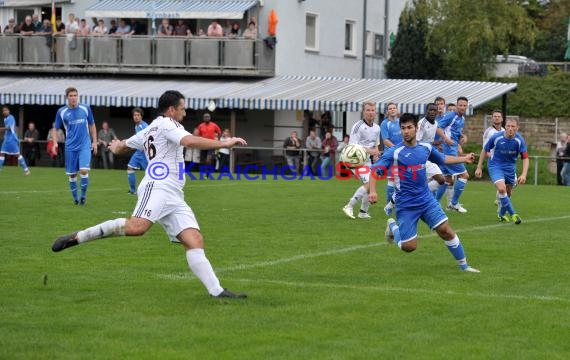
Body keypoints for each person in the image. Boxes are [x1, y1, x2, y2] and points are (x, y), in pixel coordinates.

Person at [51, 90, 248, 299]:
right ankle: (78, 237)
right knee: (138, 227)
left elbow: (124, 146)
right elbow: (189, 142)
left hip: (173, 194)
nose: (185, 111)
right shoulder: (167, 124)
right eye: (182, 108)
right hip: (158, 185)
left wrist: (117, 146)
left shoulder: (151, 128)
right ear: (171, 110)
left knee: (194, 239)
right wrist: (224, 143)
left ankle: (217, 291)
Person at [368, 113, 479, 273]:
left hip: (426, 200)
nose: (406, 131)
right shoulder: (395, 151)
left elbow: (443, 158)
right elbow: (375, 171)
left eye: (409, 127)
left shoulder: (425, 148)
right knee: (409, 247)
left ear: (416, 128)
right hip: (406, 204)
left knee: (445, 230)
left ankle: (465, 266)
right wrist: (372, 191)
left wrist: (464, 158)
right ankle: (393, 226)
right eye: (403, 128)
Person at [475, 118, 529, 223]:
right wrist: (479, 167)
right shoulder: (496, 137)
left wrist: (524, 174)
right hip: (495, 166)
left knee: (508, 193)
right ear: (505, 127)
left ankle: (501, 214)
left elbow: (525, 157)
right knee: (501, 189)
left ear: (517, 128)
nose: (510, 129)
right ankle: (514, 214)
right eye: (508, 126)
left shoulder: (519, 140)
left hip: (510, 168)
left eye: (513, 126)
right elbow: (484, 150)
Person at [52, 87, 98, 205]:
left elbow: (92, 125)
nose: (73, 98)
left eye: (75, 95)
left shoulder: (85, 108)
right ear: (67, 97)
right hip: (70, 147)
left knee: (83, 170)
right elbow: (55, 129)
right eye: (71, 95)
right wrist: (55, 143)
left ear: (78, 96)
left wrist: (94, 142)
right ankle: (76, 199)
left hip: (84, 144)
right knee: (72, 174)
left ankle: (83, 196)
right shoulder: (61, 112)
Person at [342, 101, 381, 220]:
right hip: (355, 160)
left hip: (367, 161)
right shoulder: (357, 126)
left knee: (371, 185)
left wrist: (376, 154)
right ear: (364, 112)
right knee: (369, 184)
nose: (370, 112)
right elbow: (352, 147)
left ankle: (363, 212)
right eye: (368, 110)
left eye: (372, 110)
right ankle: (349, 206)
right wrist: (370, 151)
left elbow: (376, 145)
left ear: (375, 112)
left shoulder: (377, 128)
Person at [435, 96, 470, 213]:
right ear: (456, 105)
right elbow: (438, 127)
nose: (462, 107)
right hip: (449, 150)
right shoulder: (451, 115)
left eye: (464, 106)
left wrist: (462, 137)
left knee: (447, 179)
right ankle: (453, 203)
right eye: (460, 105)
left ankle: (434, 204)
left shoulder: (462, 118)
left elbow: (456, 132)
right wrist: (446, 139)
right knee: (464, 175)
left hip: (452, 149)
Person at [475, 110, 506, 207]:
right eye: (495, 116)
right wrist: (479, 167)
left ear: (502, 118)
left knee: (511, 183)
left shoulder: (504, 131)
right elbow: (485, 149)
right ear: (492, 118)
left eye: (498, 116)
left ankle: (498, 199)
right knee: (503, 184)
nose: (497, 118)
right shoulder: (488, 132)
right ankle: (500, 201)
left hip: (505, 162)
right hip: (495, 162)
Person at [380, 102, 402, 207]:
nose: (392, 110)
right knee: (391, 179)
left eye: (394, 108)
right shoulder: (385, 123)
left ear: (397, 110)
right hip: (391, 154)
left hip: (402, 154)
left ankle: (396, 204)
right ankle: (388, 205)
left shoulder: (400, 122)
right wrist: (396, 148)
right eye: (390, 108)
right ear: (387, 111)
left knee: (401, 179)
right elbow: (385, 140)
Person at [0, 106, 31, 175]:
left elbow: (8, 128)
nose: (4, 111)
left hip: (12, 139)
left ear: (8, 111)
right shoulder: (5, 119)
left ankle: (26, 170)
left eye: (6, 110)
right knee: (2, 153)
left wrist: (1, 129)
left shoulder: (11, 117)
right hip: (6, 139)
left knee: (17, 154)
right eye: (3, 111)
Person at [127, 108, 149, 194]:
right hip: (138, 153)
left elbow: (148, 139)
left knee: (149, 173)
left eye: (138, 115)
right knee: (130, 168)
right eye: (134, 115)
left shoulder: (145, 126)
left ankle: (151, 190)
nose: (136, 117)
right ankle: (133, 190)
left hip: (144, 153)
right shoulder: (136, 126)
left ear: (141, 116)